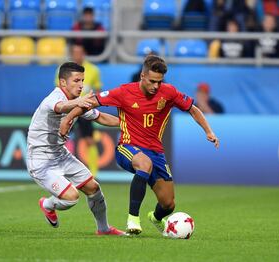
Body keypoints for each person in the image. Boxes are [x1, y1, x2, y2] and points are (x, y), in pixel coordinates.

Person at [60, 55, 220, 236]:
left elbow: (192, 108)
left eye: (159, 82)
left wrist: (208, 131)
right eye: (152, 81)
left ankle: (157, 218)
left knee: (168, 204)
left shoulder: (169, 92)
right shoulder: (123, 92)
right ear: (142, 76)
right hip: (127, 147)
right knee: (144, 164)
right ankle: (133, 218)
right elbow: (89, 103)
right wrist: (67, 118)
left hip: (156, 152)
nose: (156, 86)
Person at [26, 62, 124, 235]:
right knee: (71, 198)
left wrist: (129, 124)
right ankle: (47, 204)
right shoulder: (53, 99)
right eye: (76, 81)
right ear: (63, 83)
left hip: (61, 155)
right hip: (40, 161)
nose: (81, 85)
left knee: (93, 188)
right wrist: (79, 101)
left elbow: (101, 118)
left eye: (83, 81)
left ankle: (104, 229)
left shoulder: (77, 101)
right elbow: (60, 107)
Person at [55, 44, 102, 177]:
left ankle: (94, 172)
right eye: (75, 53)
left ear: (84, 54)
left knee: (89, 140)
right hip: (68, 109)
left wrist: (93, 105)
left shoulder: (93, 70)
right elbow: (58, 89)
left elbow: (97, 89)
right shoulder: (62, 70)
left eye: (80, 52)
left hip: (84, 109)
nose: (77, 55)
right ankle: (59, 170)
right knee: (62, 138)